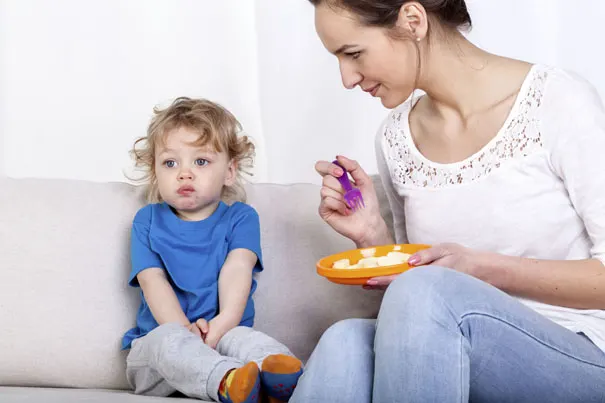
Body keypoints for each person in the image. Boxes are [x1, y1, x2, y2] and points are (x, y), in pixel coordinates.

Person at [291, 0, 605, 401]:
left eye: (353, 54)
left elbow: (431, 295)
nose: (347, 78)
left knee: (427, 292)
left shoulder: (557, 101)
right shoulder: (395, 139)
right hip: (463, 354)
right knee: (345, 341)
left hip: (581, 354)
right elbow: (414, 317)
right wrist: (372, 234)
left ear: (413, 20)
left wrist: (481, 269)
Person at [121, 97, 302, 403]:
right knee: (167, 342)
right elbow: (154, 282)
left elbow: (237, 269)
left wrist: (222, 325)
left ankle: (281, 376)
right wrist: (185, 331)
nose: (184, 173)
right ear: (155, 171)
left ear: (229, 171)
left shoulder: (241, 218)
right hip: (161, 353)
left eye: (200, 161)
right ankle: (226, 381)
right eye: (170, 162)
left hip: (222, 334)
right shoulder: (146, 221)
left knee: (250, 341)